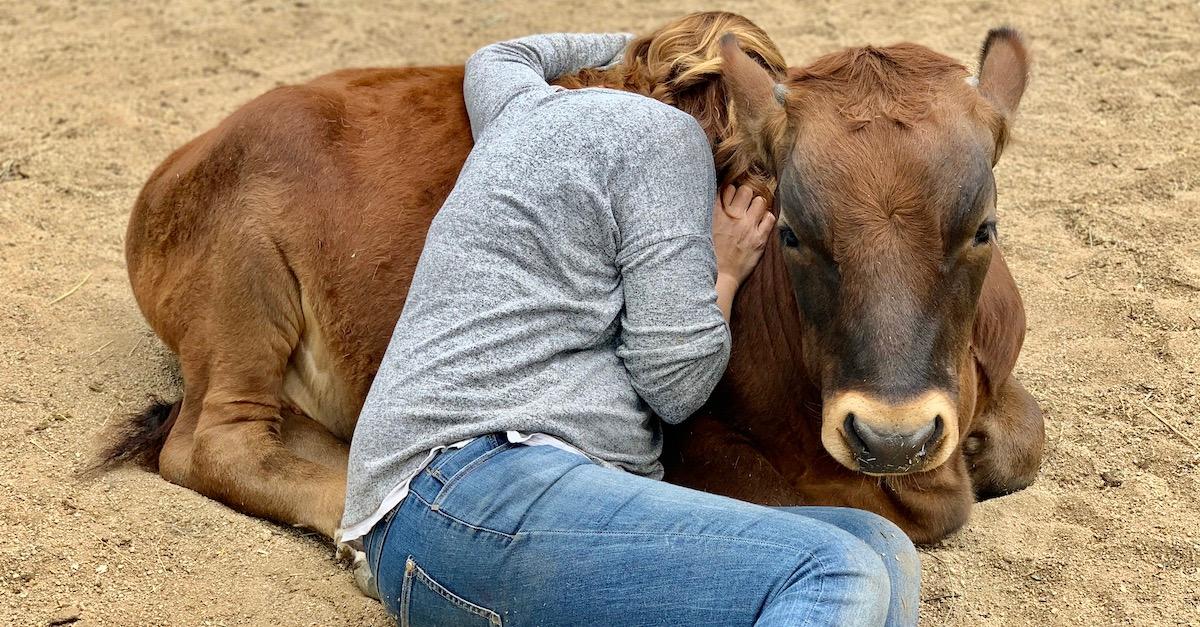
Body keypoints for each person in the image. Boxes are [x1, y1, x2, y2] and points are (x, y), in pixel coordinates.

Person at [341, 28, 921, 627]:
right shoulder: (670, 143)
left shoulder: (521, 105)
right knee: (836, 571)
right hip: (474, 488)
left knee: (881, 547)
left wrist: (634, 42)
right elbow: (672, 386)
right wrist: (723, 269)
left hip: (449, 510)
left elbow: (502, 55)